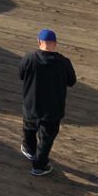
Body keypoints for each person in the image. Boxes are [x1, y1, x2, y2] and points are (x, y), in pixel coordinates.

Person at [19, 28, 76, 177]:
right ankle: (39, 165)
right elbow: (72, 81)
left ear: (39, 42)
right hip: (52, 109)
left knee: (29, 128)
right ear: (55, 44)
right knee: (46, 138)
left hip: (31, 105)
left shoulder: (29, 58)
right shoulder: (63, 63)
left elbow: (21, 74)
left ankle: (29, 150)